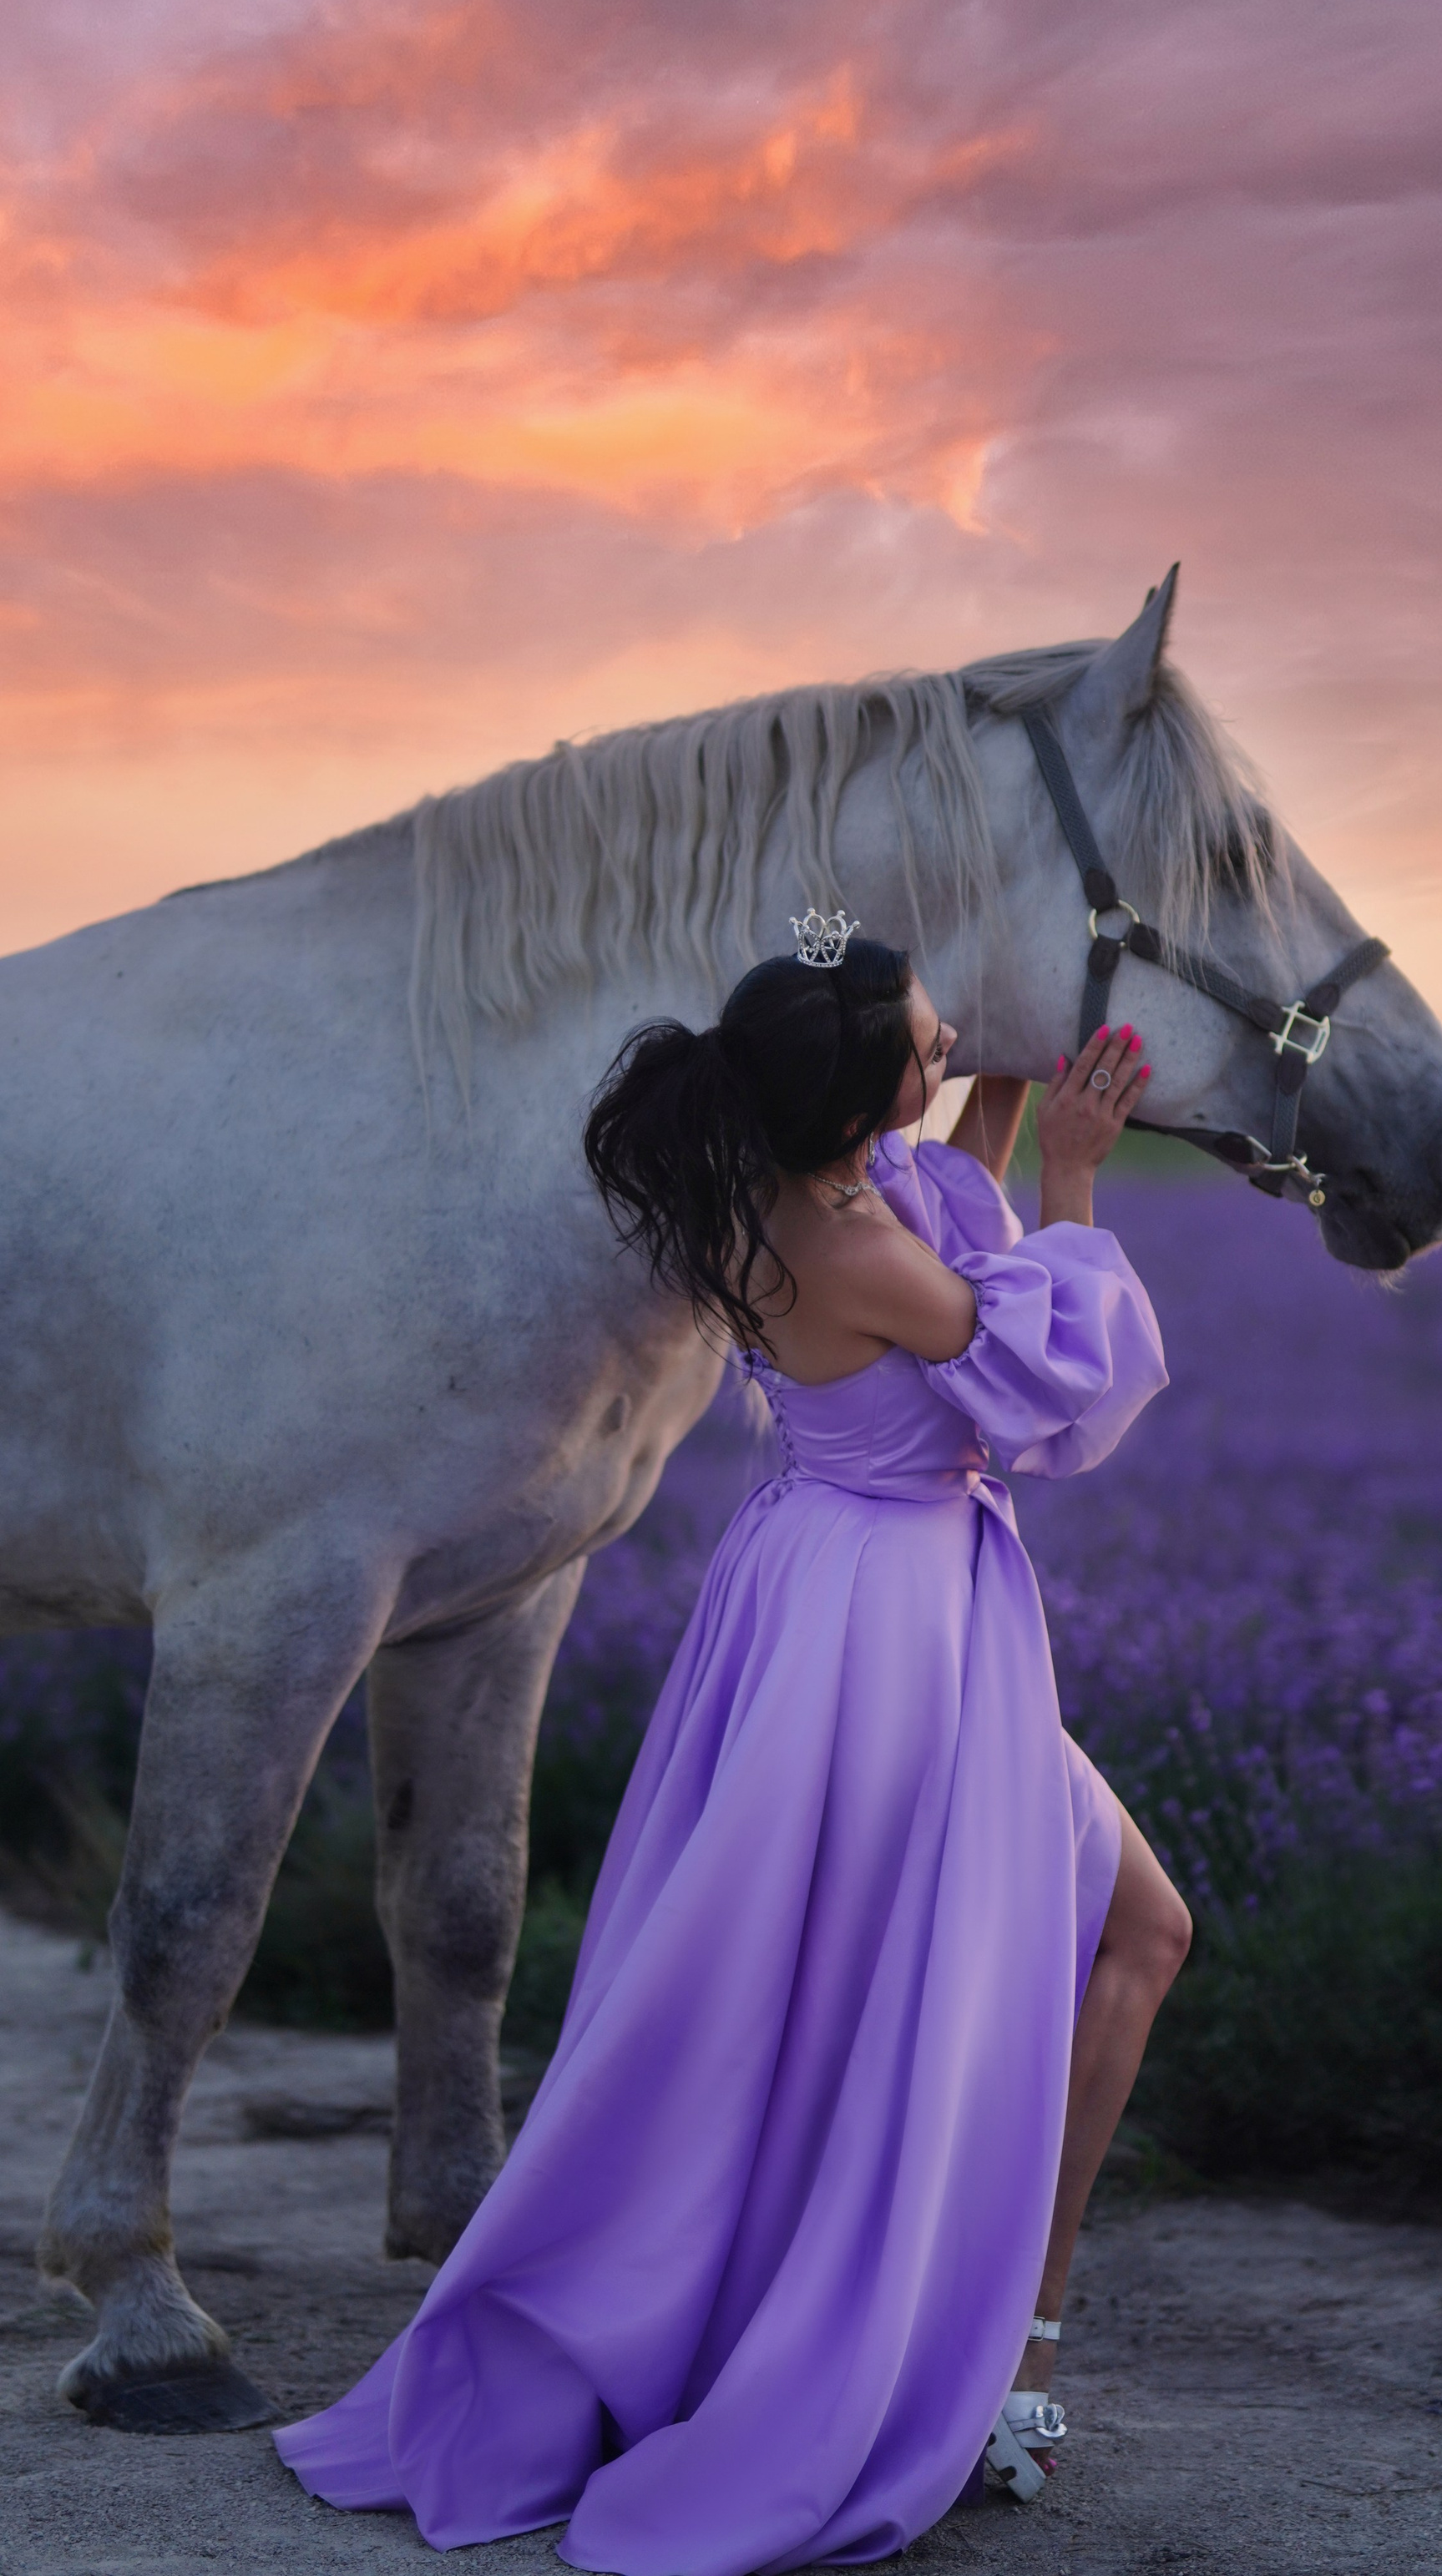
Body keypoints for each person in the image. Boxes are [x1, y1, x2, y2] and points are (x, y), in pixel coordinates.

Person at [274, 914, 1191, 2576]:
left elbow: (943, 1222)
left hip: (841, 1592)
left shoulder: (818, 1191)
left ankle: (1007, 2343)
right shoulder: (846, 1250)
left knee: (1036, 1947)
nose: (946, 1055)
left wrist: (985, 1108)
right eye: (926, 1046)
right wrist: (1073, 1177)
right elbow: (1050, 1399)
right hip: (889, 1635)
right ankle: (1003, 2363)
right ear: (857, 1108)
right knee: (1015, 1953)